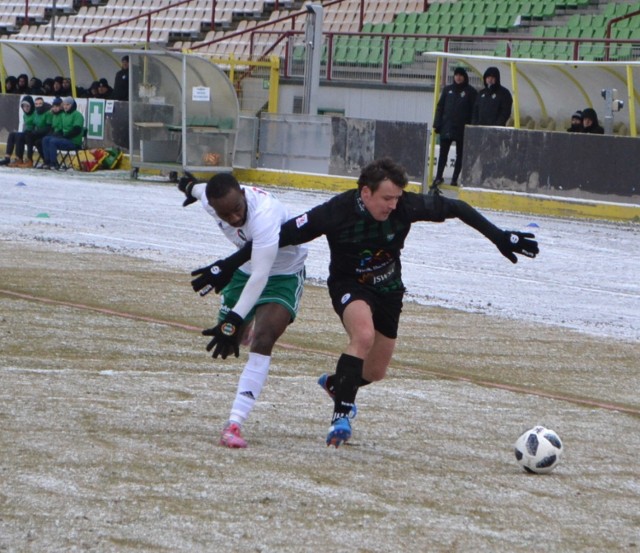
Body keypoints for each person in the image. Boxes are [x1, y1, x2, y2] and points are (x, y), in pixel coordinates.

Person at [193, 158, 539, 448]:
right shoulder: (336, 211)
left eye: (397, 198)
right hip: (348, 285)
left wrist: (500, 237)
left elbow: (457, 207)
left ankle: (336, 384)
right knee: (362, 335)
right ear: (365, 192)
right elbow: (276, 238)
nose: (393, 205)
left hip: (389, 288)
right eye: (387, 198)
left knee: (375, 371)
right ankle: (341, 417)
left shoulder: (406, 206)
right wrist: (227, 264)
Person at [178, 172, 307, 449]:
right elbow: (198, 189)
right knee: (228, 345)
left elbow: (261, 275)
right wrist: (188, 186)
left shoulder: (265, 215)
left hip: (282, 274)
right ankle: (246, 325)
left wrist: (235, 319)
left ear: (243, 194)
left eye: (237, 209)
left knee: (263, 339)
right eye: (226, 215)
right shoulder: (210, 202)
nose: (234, 219)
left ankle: (235, 422)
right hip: (243, 272)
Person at [432, 66, 477, 188]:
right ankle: (438, 177)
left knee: (460, 155)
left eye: (461, 75)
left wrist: (471, 127)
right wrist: (437, 124)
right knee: (443, 154)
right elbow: (440, 107)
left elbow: (474, 111)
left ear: (465, 77)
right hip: (447, 127)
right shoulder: (447, 90)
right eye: (456, 75)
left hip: (462, 129)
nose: (458, 77)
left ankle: (454, 179)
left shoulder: (471, 92)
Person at [41, 96, 85, 170]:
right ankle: (47, 162)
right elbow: (61, 129)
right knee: (45, 139)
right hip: (65, 139)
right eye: (64, 105)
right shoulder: (64, 115)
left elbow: (76, 130)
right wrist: (58, 135)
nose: (65, 107)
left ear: (72, 105)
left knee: (53, 141)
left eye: (68, 105)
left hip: (73, 142)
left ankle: (54, 163)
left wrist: (64, 136)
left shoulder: (77, 115)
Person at [0, 95, 36, 167]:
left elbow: (36, 126)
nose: (25, 108)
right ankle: (7, 157)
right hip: (26, 133)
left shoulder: (35, 114)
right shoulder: (25, 115)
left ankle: (20, 159)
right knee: (12, 134)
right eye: (24, 106)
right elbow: (25, 126)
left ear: (31, 106)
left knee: (19, 136)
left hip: (33, 134)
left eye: (27, 106)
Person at [21, 97, 53, 168]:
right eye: (36, 104)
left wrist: (35, 132)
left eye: (40, 104)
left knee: (33, 138)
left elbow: (48, 128)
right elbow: (33, 124)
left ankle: (30, 159)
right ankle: (26, 159)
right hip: (38, 134)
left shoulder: (48, 113)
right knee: (26, 136)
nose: (38, 105)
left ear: (43, 104)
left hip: (47, 134)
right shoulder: (35, 113)